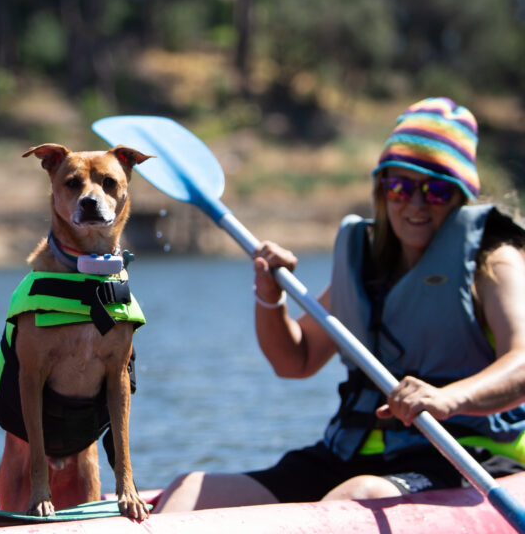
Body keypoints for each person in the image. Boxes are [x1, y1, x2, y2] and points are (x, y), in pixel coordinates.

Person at [157, 97, 525, 512]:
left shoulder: (494, 261)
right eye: (401, 186)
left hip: (457, 456)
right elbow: (295, 359)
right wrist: (269, 294)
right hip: (348, 454)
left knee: (357, 498)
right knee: (190, 489)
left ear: (459, 197)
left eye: (436, 190)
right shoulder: (367, 263)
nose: (417, 204)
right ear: (382, 189)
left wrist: (449, 398)